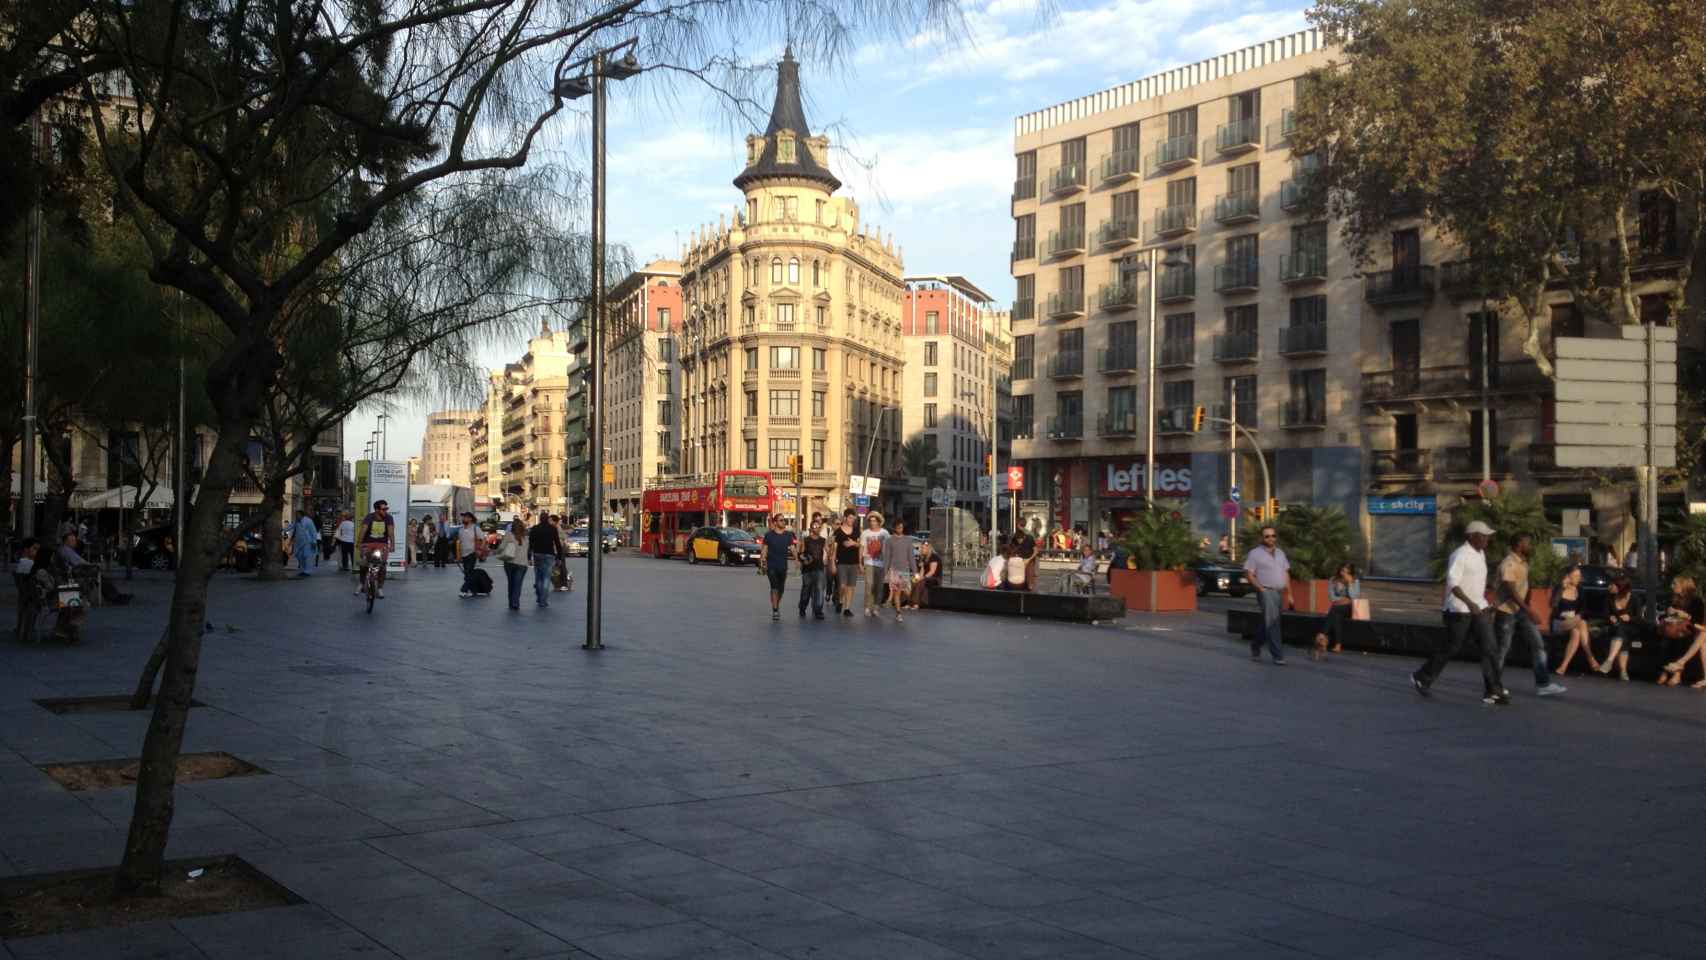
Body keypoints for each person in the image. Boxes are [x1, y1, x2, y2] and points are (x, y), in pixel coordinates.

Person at [1413, 520, 1506, 703]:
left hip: (1480, 608)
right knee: (1452, 647)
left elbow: (1475, 581)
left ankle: (1493, 690)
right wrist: (1469, 603)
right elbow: (1453, 583)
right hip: (1458, 610)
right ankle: (1423, 676)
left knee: (1490, 648)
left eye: (1488, 535)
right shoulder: (1460, 555)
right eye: (1483, 535)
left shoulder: (1481, 554)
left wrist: (1488, 595)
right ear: (1472, 536)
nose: (1487, 538)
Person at [1491, 534, 1566, 697]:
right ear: (1519, 544)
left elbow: (1523, 587)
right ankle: (1492, 686)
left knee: (1538, 644)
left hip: (1521, 611)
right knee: (1502, 649)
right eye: (1528, 543)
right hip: (1506, 612)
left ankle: (1543, 684)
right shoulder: (1509, 563)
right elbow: (1511, 591)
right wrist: (1530, 610)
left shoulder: (1523, 562)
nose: (1530, 546)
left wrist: (1527, 608)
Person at [1243, 525, 1290, 665]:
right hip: (1266, 591)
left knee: (1268, 622)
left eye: (1273, 535)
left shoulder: (1281, 553)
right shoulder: (1255, 553)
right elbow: (1248, 573)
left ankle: (1255, 644)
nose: (1271, 538)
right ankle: (1278, 655)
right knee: (1274, 624)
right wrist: (1260, 588)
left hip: (1279, 591)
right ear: (1261, 538)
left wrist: (1289, 592)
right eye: (1267, 536)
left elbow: (1286, 572)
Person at [1550, 565, 1600, 675]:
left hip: (1575, 622)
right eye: (1576, 576)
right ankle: (1590, 658)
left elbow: (1584, 609)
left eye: (1579, 576)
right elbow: (1553, 605)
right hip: (1559, 622)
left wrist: (1578, 616)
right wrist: (1562, 588)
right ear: (1568, 576)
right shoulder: (1559, 588)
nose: (1579, 578)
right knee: (1581, 623)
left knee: (1576, 632)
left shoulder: (1579, 589)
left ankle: (1563, 666)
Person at [1658, 576, 1706, 688]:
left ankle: (1678, 668)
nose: (1672, 586)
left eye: (1674, 584)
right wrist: (1670, 613)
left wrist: (1686, 616)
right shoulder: (1674, 599)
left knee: (1696, 636)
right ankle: (1668, 670)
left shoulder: (1696, 601)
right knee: (1668, 641)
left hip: (1690, 630)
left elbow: (1698, 621)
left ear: (1683, 586)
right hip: (1679, 630)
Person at [1596, 577, 1641, 681]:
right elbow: (1605, 615)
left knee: (1621, 631)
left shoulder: (1634, 599)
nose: (1609, 587)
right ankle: (1623, 671)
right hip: (1615, 627)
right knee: (1621, 634)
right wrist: (1610, 618)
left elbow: (1639, 618)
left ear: (1621, 588)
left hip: (1631, 627)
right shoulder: (1609, 598)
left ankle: (1609, 661)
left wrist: (1630, 618)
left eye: (1613, 585)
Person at [1313, 562, 1360, 657]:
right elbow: (1332, 597)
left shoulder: (1355, 581)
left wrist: (1350, 583)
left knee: (1335, 610)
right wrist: (1342, 600)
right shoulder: (1333, 580)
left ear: (1351, 571)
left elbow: (1354, 597)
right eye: (1343, 569)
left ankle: (1322, 635)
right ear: (1340, 569)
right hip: (1338, 607)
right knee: (1336, 614)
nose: (1345, 572)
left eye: (1347, 570)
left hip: (1349, 608)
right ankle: (1338, 645)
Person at [355, 500, 396, 597]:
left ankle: (380, 588)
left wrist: (392, 545)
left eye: (387, 509)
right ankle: (361, 583)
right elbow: (363, 530)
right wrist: (359, 543)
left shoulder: (389, 518)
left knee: (382, 565)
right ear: (377, 510)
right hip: (368, 543)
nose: (386, 511)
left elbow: (390, 532)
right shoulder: (369, 517)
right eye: (384, 509)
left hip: (382, 544)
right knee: (364, 563)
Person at [759, 514, 795, 621]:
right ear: (775, 522)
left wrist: (797, 559)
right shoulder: (769, 535)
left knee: (781, 589)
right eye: (781, 520)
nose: (783, 522)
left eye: (784, 520)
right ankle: (775, 610)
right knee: (774, 587)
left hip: (783, 566)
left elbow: (792, 548)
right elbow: (764, 549)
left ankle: (776, 604)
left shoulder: (788, 535)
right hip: (772, 566)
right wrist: (762, 561)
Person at [882, 518, 916, 621]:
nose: (900, 529)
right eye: (898, 527)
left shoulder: (908, 540)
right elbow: (887, 557)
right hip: (894, 570)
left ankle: (909, 604)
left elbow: (911, 557)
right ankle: (898, 612)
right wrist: (885, 571)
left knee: (906, 591)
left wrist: (915, 571)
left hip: (905, 570)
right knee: (897, 592)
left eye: (901, 527)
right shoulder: (889, 540)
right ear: (894, 528)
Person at [831, 512, 861, 618]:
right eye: (850, 518)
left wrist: (854, 544)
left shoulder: (857, 531)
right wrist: (833, 563)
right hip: (842, 562)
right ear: (845, 518)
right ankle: (840, 600)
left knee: (851, 587)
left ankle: (847, 608)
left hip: (854, 562)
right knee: (843, 586)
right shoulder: (838, 532)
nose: (852, 520)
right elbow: (834, 549)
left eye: (853, 518)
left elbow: (860, 545)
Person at [527, 514, 560, 608]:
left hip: (537, 554)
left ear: (540, 519)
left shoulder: (534, 528)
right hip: (549, 555)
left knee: (538, 577)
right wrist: (559, 557)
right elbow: (557, 543)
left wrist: (529, 557)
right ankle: (543, 600)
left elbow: (530, 544)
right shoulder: (553, 529)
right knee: (546, 578)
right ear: (547, 520)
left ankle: (539, 596)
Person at [13, 537, 41, 643]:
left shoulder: (22, 562)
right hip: (34, 597)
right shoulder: (28, 564)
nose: (37, 552)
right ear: (26, 549)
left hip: (26, 596)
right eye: (35, 549)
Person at [860, 512, 889, 615]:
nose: (872, 523)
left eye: (874, 521)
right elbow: (862, 547)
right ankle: (868, 607)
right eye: (871, 521)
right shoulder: (865, 533)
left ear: (878, 522)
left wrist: (888, 564)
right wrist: (860, 563)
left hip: (881, 563)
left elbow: (888, 549)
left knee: (879, 586)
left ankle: (876, 607)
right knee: (869, 584)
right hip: (869, 562)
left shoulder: (885, 533)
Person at [797, 520, 827, 620]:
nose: (817, 529)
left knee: (819, 589)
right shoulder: (806, 540)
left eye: (818, 527)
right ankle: (802, 607)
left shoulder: (823, 540)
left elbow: (828, 552)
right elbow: (800, 554)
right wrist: (803, 560)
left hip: (819, 568)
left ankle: (818, 610)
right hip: (807, 569)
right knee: (806, 590)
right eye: (815, 527)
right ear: (811, 528)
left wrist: (832, 549)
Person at [495, 519, 528, 610]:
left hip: (510, 562)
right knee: (518, 584)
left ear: (512, 527)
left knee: (511, 583)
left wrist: (496, 551)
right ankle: (515, 603)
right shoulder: (525, 536)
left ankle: (511, 602)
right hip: (522, 564)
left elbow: (502, 547)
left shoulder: (509, 535)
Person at [449, 512, 482, 598]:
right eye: (463, 517)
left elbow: (481, 539)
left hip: (472, 553)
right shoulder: (460, 530)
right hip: (464, 554)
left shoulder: (475, 528)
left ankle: (463, 590)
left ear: (470, 519)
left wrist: (479, 550)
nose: (464, 519)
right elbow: (459, 542)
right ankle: (474, 590)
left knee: (468, 572)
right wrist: (457, 555)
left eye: (466, 517)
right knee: (468, 574)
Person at [910, 540, 942, 608]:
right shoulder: (923, 557)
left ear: (928, 548)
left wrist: (922, 578)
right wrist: (917, 577)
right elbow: (922, 571)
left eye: (923, 548)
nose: (921, 549)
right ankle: (909, 602)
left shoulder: (934, 556)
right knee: (913, 581)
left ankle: (916, 603)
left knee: (920, 582)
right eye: (921, 548)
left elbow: (932, 572)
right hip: (926, 577)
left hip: (935, 578)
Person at [291, 511, 320, 577]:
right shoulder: (297, 521)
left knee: (307, 556)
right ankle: (303, 569)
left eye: (297, 515)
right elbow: (291, 526)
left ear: (301, 515)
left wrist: (314, 541)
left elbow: (313, 531)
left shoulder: (308, 521)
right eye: (296, 515)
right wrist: (283, 530)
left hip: (307, 541)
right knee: (299, 555)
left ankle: (307, 571)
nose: (296, 516)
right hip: (298, 542)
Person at [1010, 524, 1038, 592]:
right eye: (1017, 540)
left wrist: (1029, 559)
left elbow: (1036, 551)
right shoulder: (1014, 539)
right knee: (1019, 579)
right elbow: (1012, 550)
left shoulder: (1030, 538)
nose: (1019, 541)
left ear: (1024, 537)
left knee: (1029, 577)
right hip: (1020, 561)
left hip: (1030, 560)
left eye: (1020, 540)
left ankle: (1030, 589)